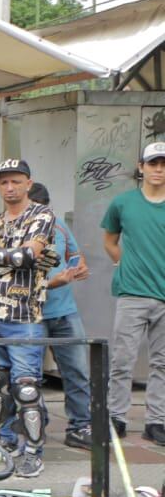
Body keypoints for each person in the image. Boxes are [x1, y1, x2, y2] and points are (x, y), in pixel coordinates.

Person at [0, 158, 56, 477]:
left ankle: (33, 452)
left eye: (15, 181)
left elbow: (28, 254)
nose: (9, 187)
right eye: (4, 182)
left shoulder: (41, 215)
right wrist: (13, 259)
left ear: (28, 183)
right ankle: (7, 442)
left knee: (26, 387)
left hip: (23, 314)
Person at [102, 141, 165, 445]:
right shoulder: (123, 203)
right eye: (153, 163)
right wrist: (124, 264)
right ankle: (116, 417)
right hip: (132, 294)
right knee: (122, 360)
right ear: (141, 167)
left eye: (163, 165)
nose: (158, 170)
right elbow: (110, 241)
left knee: (162, 363)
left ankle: (156, 421)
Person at [27, 183, 93, 449]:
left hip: (65, 311)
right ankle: (34, 424)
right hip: (31, 314)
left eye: (45, 210)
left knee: (77, 371)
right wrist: (51, 283)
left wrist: (78, 268)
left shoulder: (60, 226)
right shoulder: (18, 231)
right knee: (29, 375)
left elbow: (75, 256)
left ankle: (80, 426)